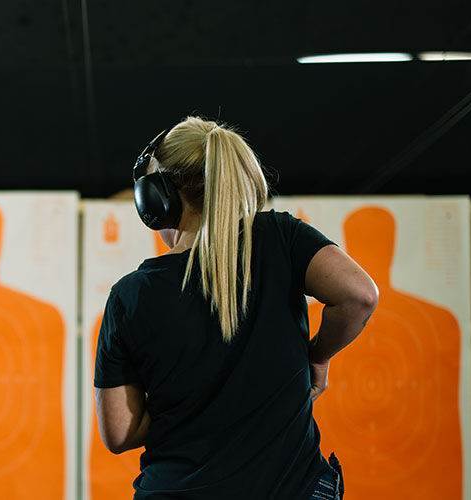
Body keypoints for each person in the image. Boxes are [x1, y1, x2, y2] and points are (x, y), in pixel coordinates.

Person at [94, 116, 378, 499]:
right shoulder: (281, 237)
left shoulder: (130, 297)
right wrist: (318, 356)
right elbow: (359, 295)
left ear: (157, 200)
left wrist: (185, 404)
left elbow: (119, 433)